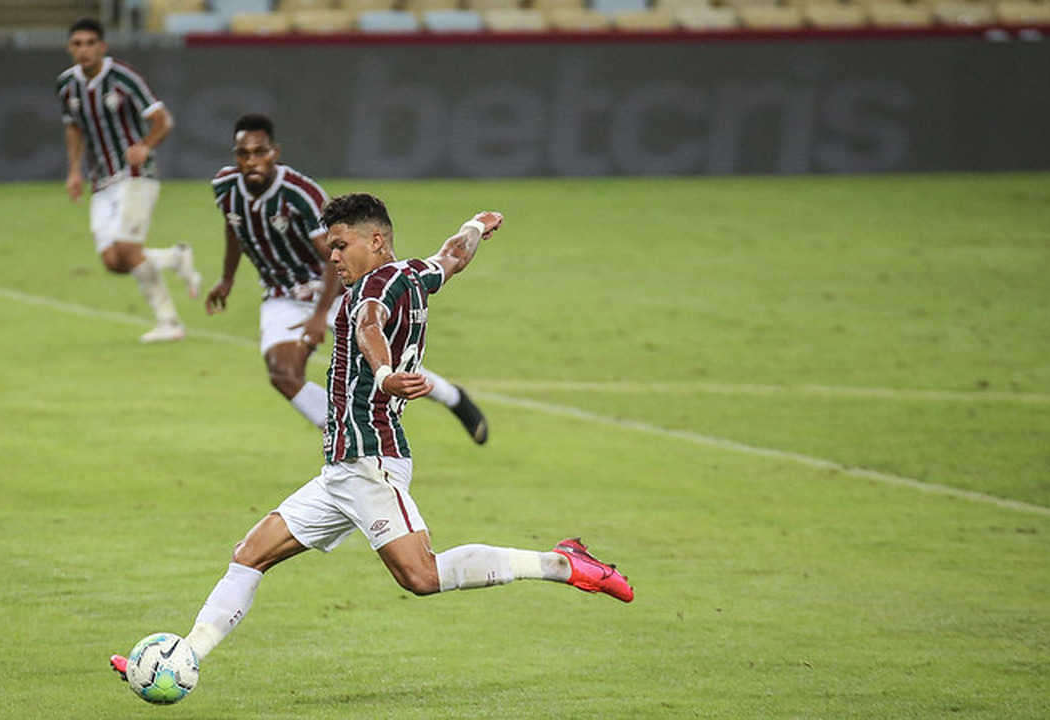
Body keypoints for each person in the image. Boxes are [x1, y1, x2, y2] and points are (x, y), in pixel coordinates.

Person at [111, 193, 633, 687]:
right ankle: (182, 659)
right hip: (341, 470)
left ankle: (563, 563)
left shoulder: (372, 289)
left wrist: (382, 375)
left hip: (371, 461)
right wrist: (475, 227)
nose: (332, 255)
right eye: (330, 245)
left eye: (340, 245)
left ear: (376, 242)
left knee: (422, 576)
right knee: (250, 553)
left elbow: (369, 325)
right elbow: (452, 256)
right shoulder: (413, 273)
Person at [204, 113, 488, 443]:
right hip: (281, 294)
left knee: (383, 362)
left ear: (274, 153)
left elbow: (332, 257)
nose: (251, 161)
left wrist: (320, 315)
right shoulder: (225, 187)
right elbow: (234, 226)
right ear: (235, 155)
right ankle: (343, 434)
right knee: (283, 373)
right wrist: (227, 278)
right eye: (243, 154)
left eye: (259, 152)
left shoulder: (300, 195)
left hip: (333, 288)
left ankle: (454, 398)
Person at [56, 17, 202, 343]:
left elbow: (161, 120)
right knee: (113, 261)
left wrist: (145, 146)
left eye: (90, 43)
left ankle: (169, 322)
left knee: (127, 248)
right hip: (101, 179)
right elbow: (73, 128)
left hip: (136, 175)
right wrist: (74, 171)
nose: (84, 49)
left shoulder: (123, 78)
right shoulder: (66, 85)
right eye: (77, 44)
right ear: (70, 48)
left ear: (102, 46)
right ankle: (176, 257)